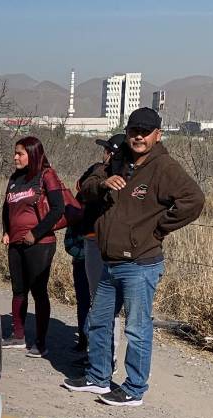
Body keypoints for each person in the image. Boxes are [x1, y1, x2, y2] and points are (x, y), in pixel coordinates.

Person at [63, 108, 205, 406]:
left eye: (145, 131)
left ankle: (135, 388)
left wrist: (156, 229)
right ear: (127, 131)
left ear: (158, 135)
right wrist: (104, 183)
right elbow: (86, 188)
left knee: (137, 329)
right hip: (109, 261)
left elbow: (194, 200)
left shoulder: (164, 167)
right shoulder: (117, 159)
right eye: (133, 130)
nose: (138, 136)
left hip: (140, 264)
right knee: (99, 321)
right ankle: (98, 377)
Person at [0, 136, 66, 358]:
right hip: (16, 243)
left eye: (20, 153)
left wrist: (35, 234)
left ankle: (40, 342)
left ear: (33, 154)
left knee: (38, 291)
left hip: (40, 244)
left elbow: (58, 208)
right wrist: (6, 231)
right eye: (15, 153)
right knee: (18, 290)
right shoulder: (15, 178)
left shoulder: (47, 175)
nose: (15, 157)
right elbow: (6, 207)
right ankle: (18, 336)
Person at [68, 133, 127, 356]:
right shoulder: (98, 170)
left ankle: (104, 357)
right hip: (90, 241)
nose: (105, 155)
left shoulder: (125, 178)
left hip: (106, 244)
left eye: (108, 151)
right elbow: (83, 187)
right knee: (94, 301)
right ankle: (93, 353)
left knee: (106, 305)